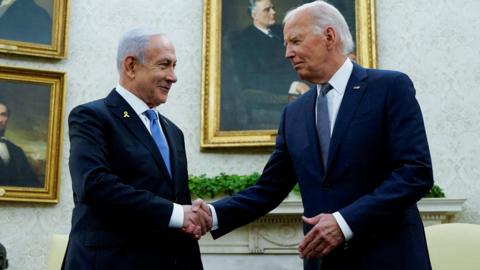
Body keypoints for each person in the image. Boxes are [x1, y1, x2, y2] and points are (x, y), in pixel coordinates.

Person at [201, 1, 434, 269]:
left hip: (389, 257)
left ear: (329, 36)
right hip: (324, 262)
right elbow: (269, 189)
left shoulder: (390, 87)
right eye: (286, 45)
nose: (288, 53)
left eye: (295, 41)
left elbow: (415, 173)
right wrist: (212, 214)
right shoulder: (294, 113)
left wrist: (344, 222)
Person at [63, 28, 211, 270]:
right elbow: (93, 184)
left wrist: (190, 218)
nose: (173, 77)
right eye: (164, 65)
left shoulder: (173, 132)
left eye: (175, 66)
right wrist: (177, 213)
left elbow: (174, 199)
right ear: (131, 66)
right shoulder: (92, 116)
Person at [231, 0, 309, 129]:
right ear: (253, 14)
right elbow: (251, 79)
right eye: (267, 10)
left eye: (272, 8)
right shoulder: (244, 41)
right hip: (278, 93)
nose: (273, 12)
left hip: (304, 79)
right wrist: (293, 85)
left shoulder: (280, 30)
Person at [0, 99, 41, 187]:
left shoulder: (17, 151)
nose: (0, 120)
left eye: (3, 115)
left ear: (7, 118)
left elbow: (34, 184)